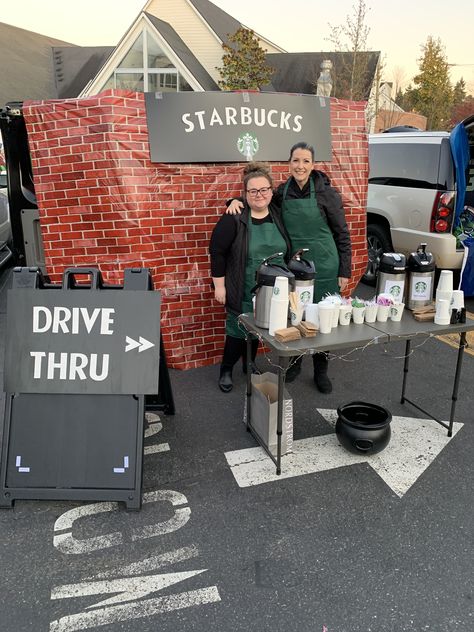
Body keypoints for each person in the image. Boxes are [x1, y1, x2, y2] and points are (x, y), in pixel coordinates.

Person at [226, 141, 352, 393]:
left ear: (313, 164)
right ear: (289, 163)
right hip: (293, 267)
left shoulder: (327, 193)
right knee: (296, 315)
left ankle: (321, 370)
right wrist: (234, 200)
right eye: (296, 160)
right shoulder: (282, 192)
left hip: (326, 266)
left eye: (306, 161)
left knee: (323, 320)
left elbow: (342, 233)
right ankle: (294, 363)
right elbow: (259, 199)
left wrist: (344, 271)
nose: (300, 166)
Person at [209, 162, 291, 393]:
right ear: (245, 194)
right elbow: (217, 252)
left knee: (259, 327)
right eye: (253, 191)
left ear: (271, 190)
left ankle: (250, 363)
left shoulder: (277, 212)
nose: (259, 195)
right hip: (242, 284)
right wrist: (220, 287)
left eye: (264, 189)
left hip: (273, 287)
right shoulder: (235, 217)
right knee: (237, 330)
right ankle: (226, 369)